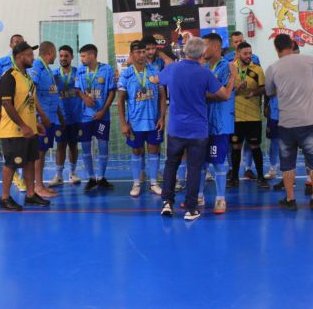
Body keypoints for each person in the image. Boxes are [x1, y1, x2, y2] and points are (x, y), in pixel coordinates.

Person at [159, 37, 234, 221]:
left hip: (175, 128)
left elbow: (156, 79)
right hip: (197, 130)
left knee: (171, 164)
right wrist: (232, 76)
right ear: (201, 53)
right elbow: (225, 95)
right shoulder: (204, 73)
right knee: (194, 168)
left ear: (185, 51)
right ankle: (191, 209)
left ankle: (167, 202)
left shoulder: (172, 69)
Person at [264, 34, 313, 211]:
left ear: (276, 49)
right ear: (292, 45)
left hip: (287, 122)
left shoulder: (272, 68)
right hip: (309, 120)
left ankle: (290, 199)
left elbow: (269, 92)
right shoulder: (307, 60)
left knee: (287, 162)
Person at [0, 42, 49, 211]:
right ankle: (5, 198)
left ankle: (30, 195)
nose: (33, 58)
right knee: (11, 164)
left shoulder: (26, 77)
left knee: (30, 162)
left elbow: (28, 104)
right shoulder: (9, 76)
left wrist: (35, 124)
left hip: (30, 130)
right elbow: (7, 104)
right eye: (29, 55)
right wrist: (22, 125)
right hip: (13, 131)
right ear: (19, 57)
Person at [117, 41, 167, 197]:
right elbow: (120, 100)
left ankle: (154, 183)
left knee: (154, 150)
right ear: (132, 54)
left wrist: (162, 118)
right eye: (138, 52)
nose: (142, 55)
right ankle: (136, 183)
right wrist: (123, 123)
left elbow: (162, 96)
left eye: (143, 51)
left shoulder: (155, 71)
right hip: (135, 122)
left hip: (153, 121)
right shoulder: (126, 74)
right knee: (137, 151)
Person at [200, 33, 236, 214]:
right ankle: (198, 196)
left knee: (218, 162)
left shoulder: (227, 67)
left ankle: (220, 199)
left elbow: (221, 95)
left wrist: (198, 93)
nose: (201, 50)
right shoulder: (203, 67)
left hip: (220, 124)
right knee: (200, 162)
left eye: (204, 46)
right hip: (202, 123)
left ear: (215, 47)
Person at [75, 44, 116, 191]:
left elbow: (112, 92)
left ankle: (101, 177)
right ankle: (91, 178)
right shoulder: (80, 70)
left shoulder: (107, 69)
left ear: (92, 56)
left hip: (102, 116)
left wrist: (103, 110)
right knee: (86, 147)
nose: (81, 59)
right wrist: (84, 97)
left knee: (103, 146)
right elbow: (77, 89)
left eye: (83, 56)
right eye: (81, 56)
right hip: (85, 117)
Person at [228, 42, 268, 189]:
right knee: (236, 147)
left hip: (253, 116)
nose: (248, 56)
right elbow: (224, 89)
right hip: (236, 116)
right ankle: (234, 178)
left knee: (255, 147)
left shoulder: (257, 69)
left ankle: (261, 177)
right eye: (245, 53)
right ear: (238, 53)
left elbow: (264, 88)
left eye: (250, 53)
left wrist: (254, 93)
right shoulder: (230, 68)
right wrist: (236, 89)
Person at [0, 34, 27, 191]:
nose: (18, 44)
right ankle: (14, 176)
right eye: (16, 42)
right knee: (11, 144)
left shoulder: (27, 62)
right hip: (7, 108)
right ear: (10, 44)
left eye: (21, 42)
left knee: (24, 144)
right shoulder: (2, 62)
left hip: (23, 108)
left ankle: (22, 176)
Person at [28, 41, 59, 198]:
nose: (56, 57)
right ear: (50, 52)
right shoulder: (37, 67)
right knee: (38, 153)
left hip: (50, 118)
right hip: (42, 118)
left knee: (43, 152)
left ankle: (39, 184)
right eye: (55, 53)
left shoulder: (48, 69)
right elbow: (31, 92)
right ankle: (37, 187)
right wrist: (40, 116)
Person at [49, 45, 82, 186]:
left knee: (73, 145)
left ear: (72, 57)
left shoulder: (79, 73)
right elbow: (51, 95)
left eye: (66, 56)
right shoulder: (53, 75)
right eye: (61, 56)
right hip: (59, 118)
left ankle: (73, 173)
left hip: (76, 117)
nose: (63, 58)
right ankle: (58, 175)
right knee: (60, 145)